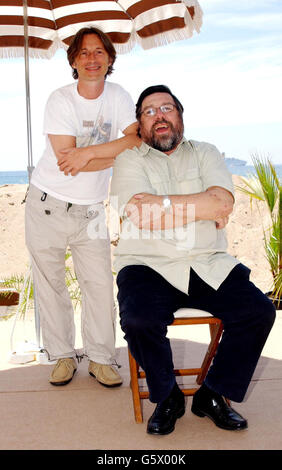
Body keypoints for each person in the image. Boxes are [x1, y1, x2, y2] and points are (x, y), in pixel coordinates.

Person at [110, 85, 276, 435]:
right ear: (140, 125)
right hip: (146, 264)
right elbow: (140, 215)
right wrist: (197, 205)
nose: (159, 116)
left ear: (180, 116)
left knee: (258, 311)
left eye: (166, 108)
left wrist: (164, 205)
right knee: (139, 320)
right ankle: (167, 395)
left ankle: (212, 394)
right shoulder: (128, 160)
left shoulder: (206, 153)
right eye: (149, 111)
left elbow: (222, 204)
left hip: (206, 262)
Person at [25, 27, 140, 387]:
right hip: (46, 204)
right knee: (52, 285)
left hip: (91, 209)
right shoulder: (60, 100)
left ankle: (102, 359)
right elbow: (65, 161)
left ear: (109, 59)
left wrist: (89, 151)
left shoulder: (120, 96)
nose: (92, 59)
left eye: (99, 52)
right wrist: (113, 149)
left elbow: (136, 139)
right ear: (74, 60)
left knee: (98, 286)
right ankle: (61, 357)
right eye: (84, 53)